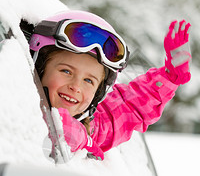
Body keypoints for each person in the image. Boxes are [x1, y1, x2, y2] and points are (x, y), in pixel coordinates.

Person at [29, 10, 191, 160]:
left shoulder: (91, 127)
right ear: (40, 67)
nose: (76, 87)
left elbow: (129, 108)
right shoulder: (17, 102)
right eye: (66, 71)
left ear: (98, 92)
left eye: (88, 80)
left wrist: (170, 77)